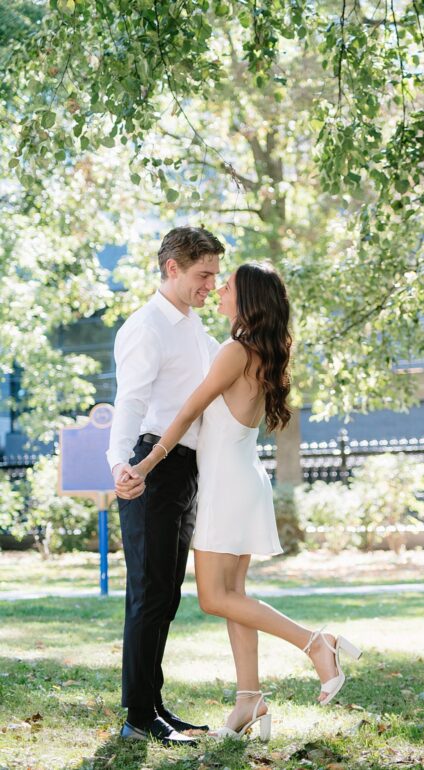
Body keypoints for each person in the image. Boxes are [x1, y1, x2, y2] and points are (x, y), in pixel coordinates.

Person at [122, 262, 362, 740]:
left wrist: (145, 464)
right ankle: (249, 701)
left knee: (215, 598)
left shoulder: (235, 350)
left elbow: (189, 409)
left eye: (227, 285)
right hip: (244, 480)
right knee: (233, 599)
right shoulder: (256, 351)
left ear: (247, 299)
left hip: (225, 486)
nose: (218, 290)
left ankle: (317, 642)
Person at [107, 226, 224, 746]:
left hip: (184, 467)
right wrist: (121, 466)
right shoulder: (147, 326)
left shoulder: (194, 328)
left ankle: (152, 705)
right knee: (149, 593)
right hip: (150, 465)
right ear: (173, 268)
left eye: (216, 275)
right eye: (203, 275)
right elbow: (129, 402)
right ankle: (137, 716)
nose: (211, 285)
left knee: (166, 594)